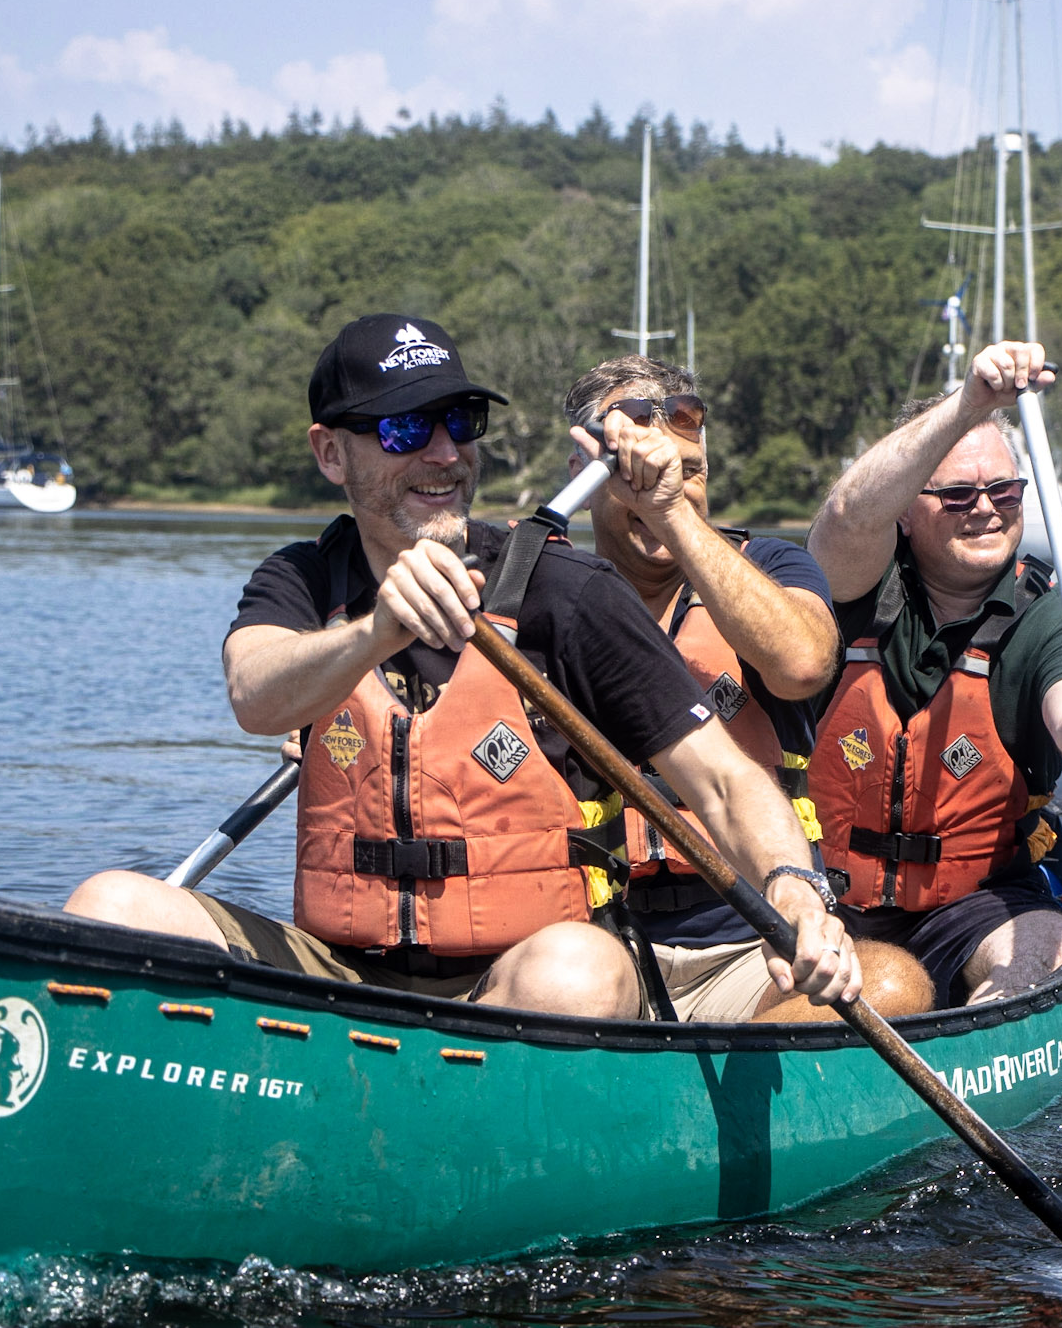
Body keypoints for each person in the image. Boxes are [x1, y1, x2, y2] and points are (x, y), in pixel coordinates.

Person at [66, 314, 859, 1020]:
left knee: (576, 971)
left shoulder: (562, 590)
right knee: (113, 905)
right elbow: (256, 693)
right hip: (336, 974)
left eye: (460, 421)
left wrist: (794, 883)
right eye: (406, 431)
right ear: (330, 452)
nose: (445, 454)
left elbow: (725, 780)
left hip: (512, 984)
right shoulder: (305, 578)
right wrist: (376, 630)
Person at [562, 355, 935, 1022]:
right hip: (596, 946)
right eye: (636, 474)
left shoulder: (771, 563)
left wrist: (671, 512)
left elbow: (803, 662)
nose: (665, 485)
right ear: (583, 478)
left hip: (750, 950)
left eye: (690, 470)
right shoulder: (543, 590)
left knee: (897, 987)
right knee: (566, 980)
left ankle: (731, 1078)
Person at [804, 340, 1062, 1008]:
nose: (985, 507)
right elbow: (846, 516)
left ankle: (983, 1034)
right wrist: (969, 405)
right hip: (820, 896)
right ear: (906, 508)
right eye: (956, 494)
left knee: (1052, 942)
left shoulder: (1050, 613)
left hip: (972, 907)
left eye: (1004, 489)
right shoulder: (854, 588)